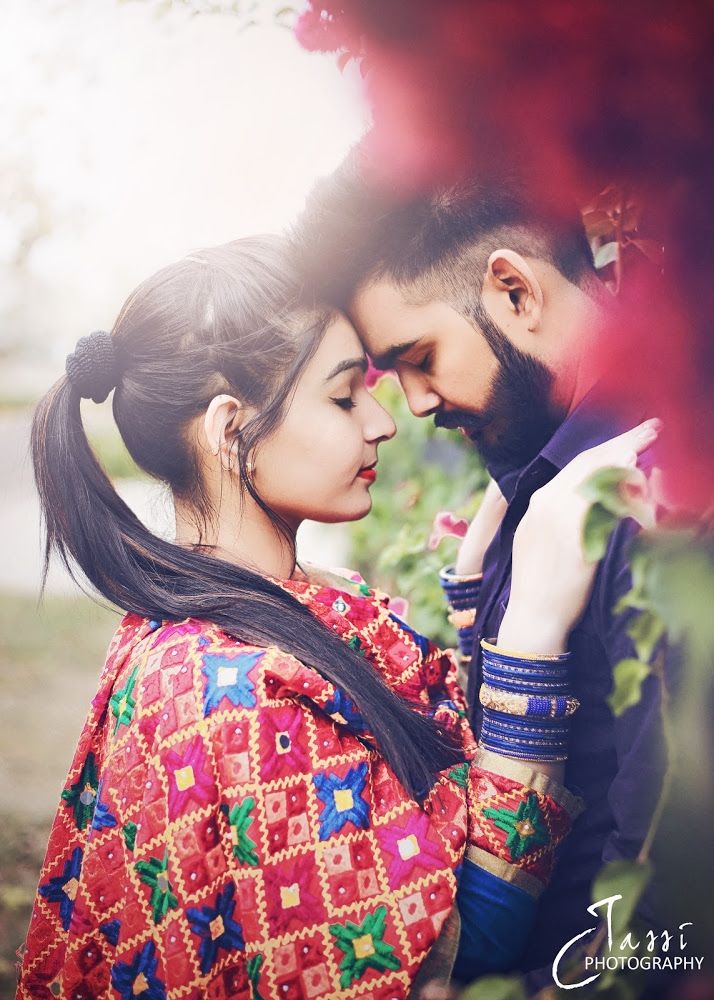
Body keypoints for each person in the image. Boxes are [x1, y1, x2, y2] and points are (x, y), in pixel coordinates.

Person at [17, 237, 656, 999]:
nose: (386, 421)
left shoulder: (260, 609)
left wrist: (475, 583)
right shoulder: (236, 693)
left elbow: (412, 816)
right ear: (231, 431)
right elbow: (454, 953)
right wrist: (531, 637)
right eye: (345, 395)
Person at [292, 155, 674, 988]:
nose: (417, 405)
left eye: (420, 356)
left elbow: (675, 879)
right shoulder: (534, 497)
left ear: (514, 291)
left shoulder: (654, 497)